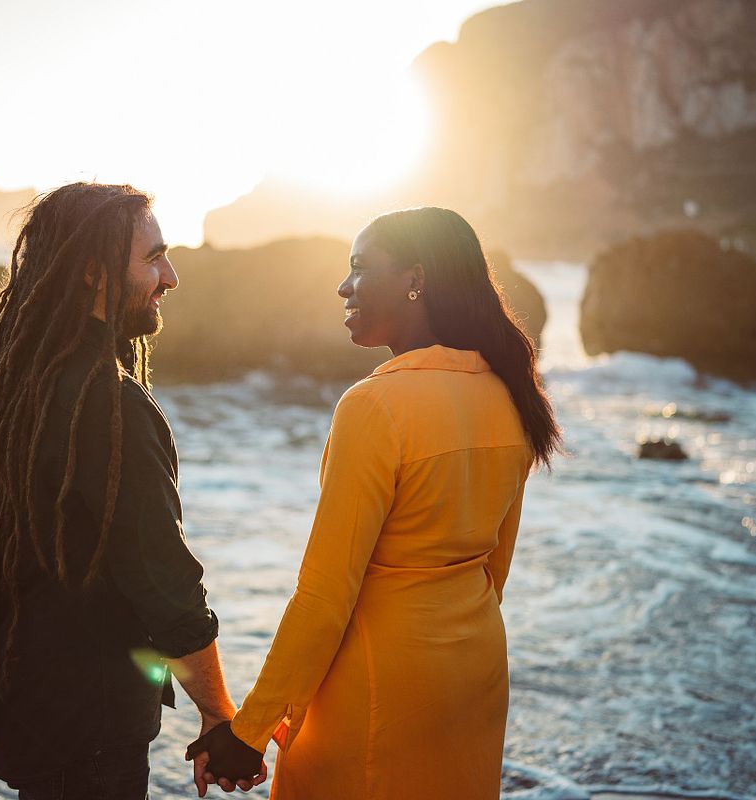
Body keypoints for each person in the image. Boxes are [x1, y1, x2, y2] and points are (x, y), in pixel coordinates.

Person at [187, 207, 562, 798]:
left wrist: (249, 732)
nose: (344, 285)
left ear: (415, 280)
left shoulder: (374, 406)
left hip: (378, 684)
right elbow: (496, 567)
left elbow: (326, 594)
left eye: (360, 268)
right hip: (473, 672)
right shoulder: (509, 394)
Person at [0, 182, 263, 800]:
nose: (170, 276)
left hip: (31, 714)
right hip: (88, 736)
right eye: (153, 258)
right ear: (94, 273)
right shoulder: (108, 405)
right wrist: (222, 718)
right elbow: (166, 582)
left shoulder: (18, 387)